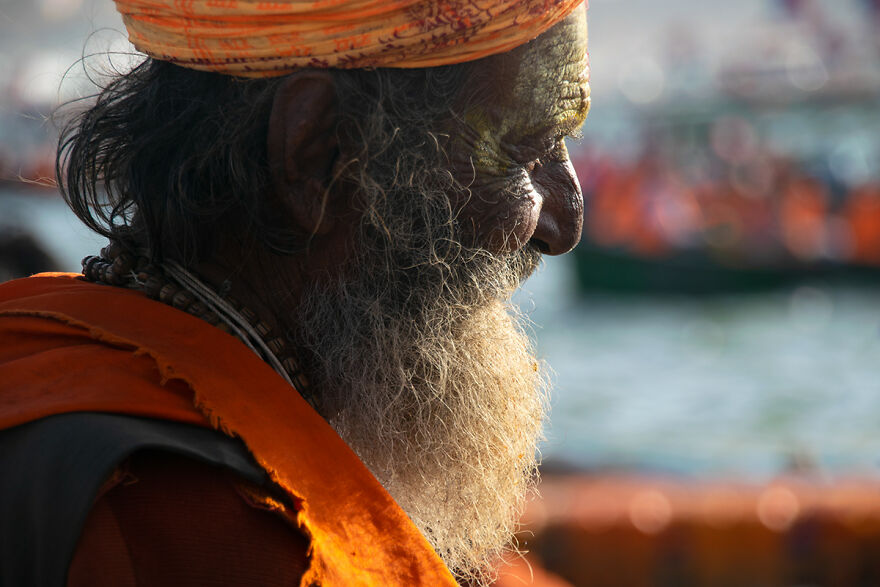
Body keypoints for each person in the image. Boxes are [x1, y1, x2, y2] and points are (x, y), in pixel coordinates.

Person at [0, 0, 591, 584]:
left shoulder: (42, 356)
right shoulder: (207, 531)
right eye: (528, 151)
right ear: (321, 152)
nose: (565, 223)